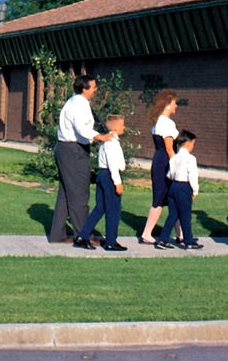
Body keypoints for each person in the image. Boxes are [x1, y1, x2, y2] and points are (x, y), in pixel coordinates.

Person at [48, 74, 117, 244]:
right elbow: (81, 128)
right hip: (74, 150)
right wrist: (101, 136)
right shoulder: (80, 104)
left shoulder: (72, 102)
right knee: (79, 193)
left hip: (65, 148)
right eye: (93, 87)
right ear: (84, 89)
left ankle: (57, 234)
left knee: (66, 193)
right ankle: (84, 234)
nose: (96, 90)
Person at [74, 114, 128, 252]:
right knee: (113, 209)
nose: (124, 127)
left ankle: (83, 235)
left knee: (100, 207)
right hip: (109, 175)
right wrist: (117, 182)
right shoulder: (111, 143)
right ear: (115, 127)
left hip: (103, 175)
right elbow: (112, 164)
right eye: (122, 125)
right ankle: (111, 241)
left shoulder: (107, 141)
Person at [139, 89, 182, 244]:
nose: (176, 106)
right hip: (165, 162)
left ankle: (181, 233)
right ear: (168, 104)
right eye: (174, 103)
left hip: (159, 160)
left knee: (172, 199)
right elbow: (169, 148)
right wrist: (178, 166)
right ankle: (147, 233)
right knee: (161, 198)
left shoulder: (157, 121)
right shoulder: (168, 123)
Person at [155, 130, 202, 250]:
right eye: (193, 144)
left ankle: (163, 238)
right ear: (188, 144)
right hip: (184, 187)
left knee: (173, 215)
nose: (193, 147)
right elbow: (192, 175)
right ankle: (188, 240)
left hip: (173, 186)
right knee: (185, 215)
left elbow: (169, 174)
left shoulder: (174, 158)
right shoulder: (190, 158)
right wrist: (195, 190)